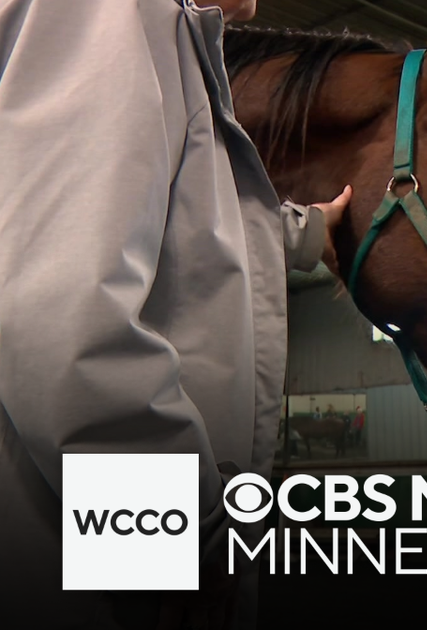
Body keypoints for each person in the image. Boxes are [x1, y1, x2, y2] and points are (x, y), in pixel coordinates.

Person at [0, 1, 351, 628]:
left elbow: (182, 227)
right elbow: (60, 322)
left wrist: (307, 233)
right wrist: (179, 548)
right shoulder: (103, 12)